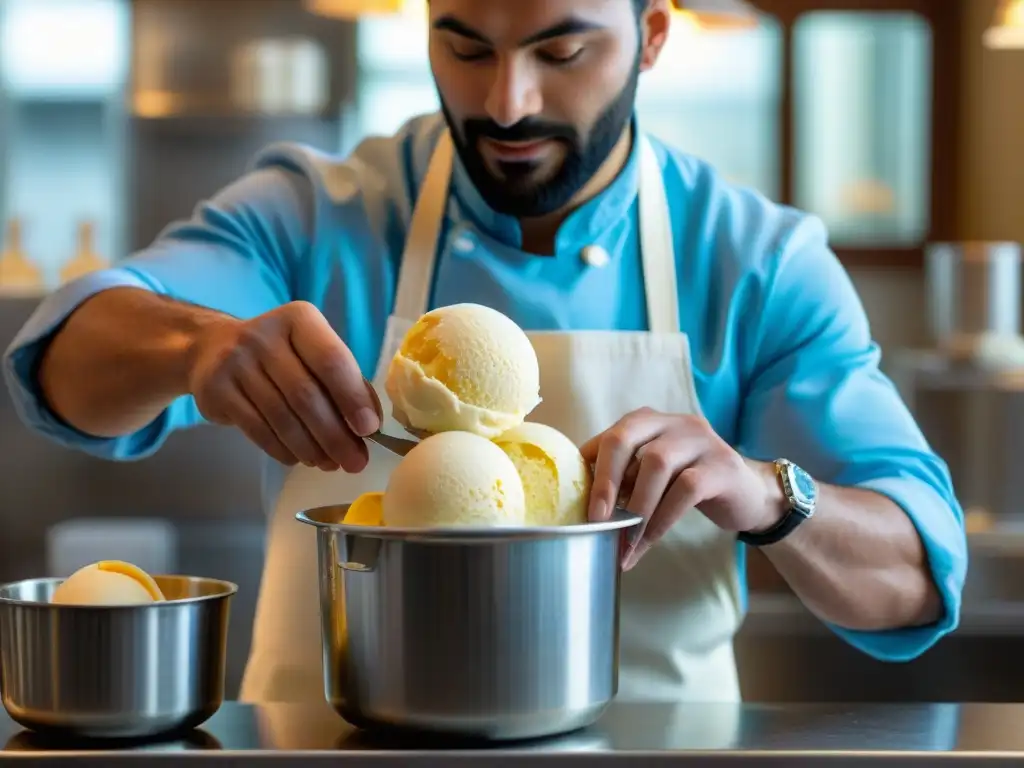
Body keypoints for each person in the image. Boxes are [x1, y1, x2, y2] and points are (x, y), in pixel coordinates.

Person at [3, 0, 965, 704]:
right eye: (464, 45)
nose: (506, 102)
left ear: (654, 35)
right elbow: (63, 366)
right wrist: (197, 344)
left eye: (562, 48)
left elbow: (916, 577)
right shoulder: (319, 215)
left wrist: (763, 492)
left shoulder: (754, 260)